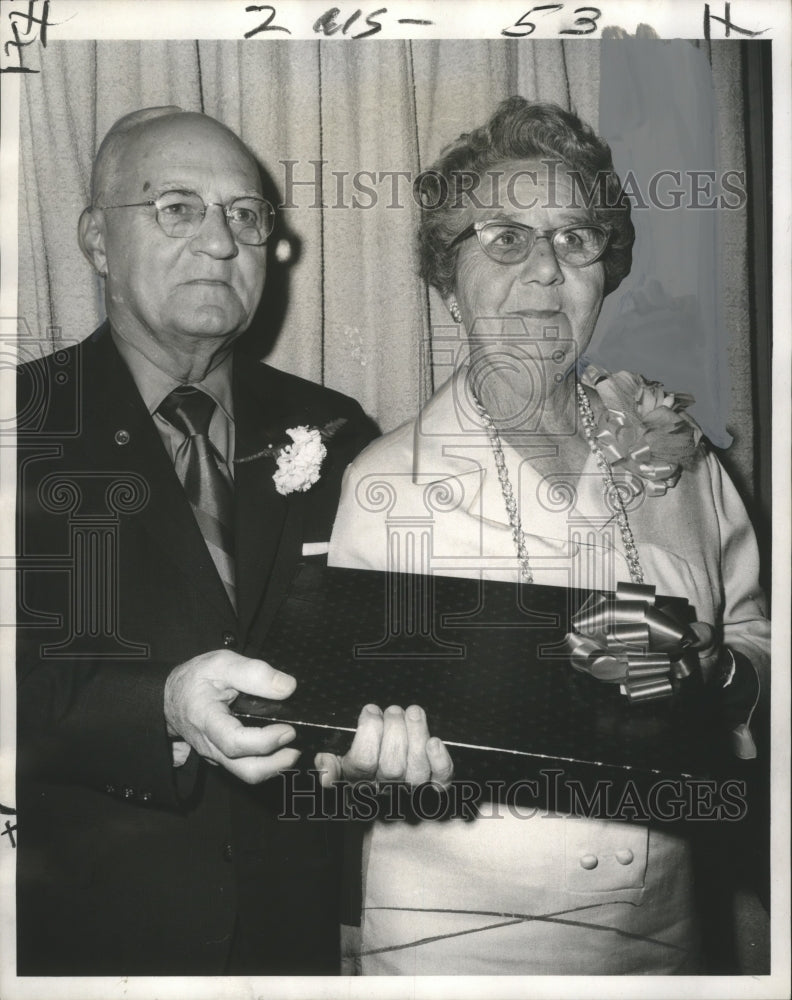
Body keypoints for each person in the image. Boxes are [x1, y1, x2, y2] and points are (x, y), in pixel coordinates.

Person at [326, 98, 770, 974]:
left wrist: (713, 670)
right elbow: (343, 746)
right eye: (503, 238)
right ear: (447, 281)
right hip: (456, 950)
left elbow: (760, 642)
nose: (543, 272)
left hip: (665, 940)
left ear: (605, 272)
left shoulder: (682, 457)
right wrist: (370, 764)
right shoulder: (383, 484)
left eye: (574, 239)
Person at [15, 107, 377, 975]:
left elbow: (369, 651)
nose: (222, 243)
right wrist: (162, 707)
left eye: (246, 216)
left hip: (293, 937)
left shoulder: (335, 431)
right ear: (98, 240)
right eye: (178, 207)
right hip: (78, 939)